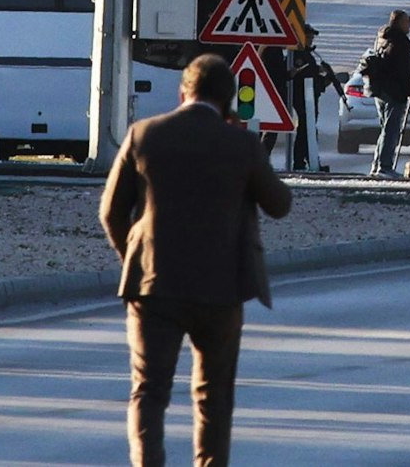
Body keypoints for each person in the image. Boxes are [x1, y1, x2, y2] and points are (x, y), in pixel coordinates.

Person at [100, 55, 294, 467]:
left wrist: (133, 260)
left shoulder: (143, 134)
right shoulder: (241, 145)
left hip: (154, 286)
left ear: (181, 92)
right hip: (221, 289)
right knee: (214, 394)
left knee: (149, 391)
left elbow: (111, 212)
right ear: (227, 103)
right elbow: (279, 204)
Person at [364, 10, 410, 178]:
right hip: (394, 91)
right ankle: (384, 166)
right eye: (407, 22)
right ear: (400, 23)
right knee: (391, 130)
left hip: (380, 90)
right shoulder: (400, 43)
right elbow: (403, 72)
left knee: (385, 129)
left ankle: (378, 165)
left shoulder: (383, 39)